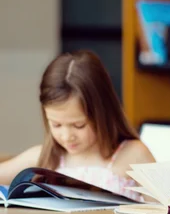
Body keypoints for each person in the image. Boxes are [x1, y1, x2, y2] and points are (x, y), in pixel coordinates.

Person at [0, 50, 155, 201]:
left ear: (103, 114)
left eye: (79, 125)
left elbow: (166, 213)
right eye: (56, 124)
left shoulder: (133, 155)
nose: (67, 136)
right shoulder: (45, 157)